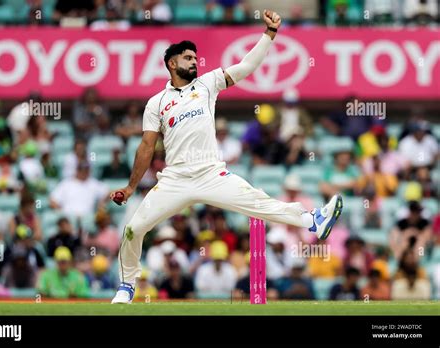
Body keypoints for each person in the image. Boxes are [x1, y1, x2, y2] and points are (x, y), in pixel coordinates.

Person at [109, 10, 343, 304]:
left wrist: (269, 34)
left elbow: (246, 66)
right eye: (188, 58)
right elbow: (146, 146)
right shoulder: (157, 103)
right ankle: (127, 286)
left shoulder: (207, 85)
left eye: (196, 58)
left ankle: (312, 220)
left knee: (260, 203)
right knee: (133, 229)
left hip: (211, 175)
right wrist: (131, 188)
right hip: (175, 180)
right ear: (172, 63)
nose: (194, 62)